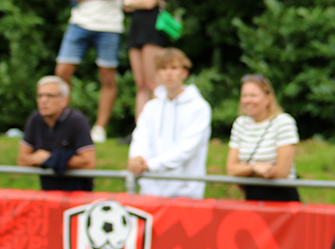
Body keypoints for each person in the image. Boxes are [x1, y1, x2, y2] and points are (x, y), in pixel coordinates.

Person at [54, 0, 134, 144]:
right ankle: (63, 120)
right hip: (79, 22)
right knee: (62, 73)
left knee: (107, 76)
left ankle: (99, 127)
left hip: (109, 26)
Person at [127, 49, 211, 199]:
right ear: (158, 74)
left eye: (174, 68)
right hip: (151, 191)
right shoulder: (151, 107)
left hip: (186, 193)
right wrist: (136, 157)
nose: (169, 73)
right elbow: (140, 137)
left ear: (184, 73)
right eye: (163, 68)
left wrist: (151, 165)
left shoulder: (199, 107)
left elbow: (188, 148)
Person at [123, 0, 176, 120]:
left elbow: (148, 3)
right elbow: (125, 2)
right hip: (137, 28)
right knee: (141, 83)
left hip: (153, 29)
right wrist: (138, 1)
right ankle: (140, 130)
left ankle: (157, 125)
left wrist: (133, 1)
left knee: (153, 81)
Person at [226, 74, 300, 202]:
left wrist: (244, 170)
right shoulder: (240, 123)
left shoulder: (283, 122)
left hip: (281, 198)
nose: (248, 100)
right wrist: (254, 168)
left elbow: (282, 172)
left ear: (268, 98)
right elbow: (231, 169)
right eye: (244, 95)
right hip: (252, 196)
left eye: (253, 95)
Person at [17, 76, 95, 191]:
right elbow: (22, 160)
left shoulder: (77, 120)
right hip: (49, 193)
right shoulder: (35, 119)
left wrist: (50, 159)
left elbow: (89, 163)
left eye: (50, 96)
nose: (43, 100)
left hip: (77, 194)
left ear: (64, 100)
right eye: (40, 96)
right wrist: (56, 160)